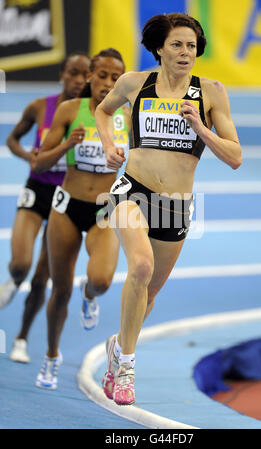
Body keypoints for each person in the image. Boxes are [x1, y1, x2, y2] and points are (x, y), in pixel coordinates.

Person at [95, 13, 242, 406]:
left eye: (191, 46)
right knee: (139, 267)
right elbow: (103, 111)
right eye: (177, 44)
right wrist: (110, 145)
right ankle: (126, 364)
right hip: (133, 189)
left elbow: (235, 157)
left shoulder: (210, 92)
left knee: (151, 291)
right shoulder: (134, 83)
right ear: (160, 47)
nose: (185, 52)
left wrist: (202, 128)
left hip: (176, 206)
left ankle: (118, 345)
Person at [30, 48, 130, 390]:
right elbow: (39, 163)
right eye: (102, 75)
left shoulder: (129, 117)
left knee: (101, 280)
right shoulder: (69, 110)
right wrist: (65, 147)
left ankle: (89, 295)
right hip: (67, 206)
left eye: (116, 78)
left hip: (104, 209)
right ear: (89, 76)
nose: (107, 83)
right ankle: (51, 356)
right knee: (58, 290)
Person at [0, 53, 91, 363]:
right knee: (20, 265)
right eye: (74, 73)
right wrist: (30, 157)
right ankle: (12, 281)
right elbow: (12, 139)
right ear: (62, 74)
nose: (79, 80)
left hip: (64, 196)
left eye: (85, 75)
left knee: (42, 278)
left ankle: (21, 339)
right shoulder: (40, 107)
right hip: (36, 190)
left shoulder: (94, 112)